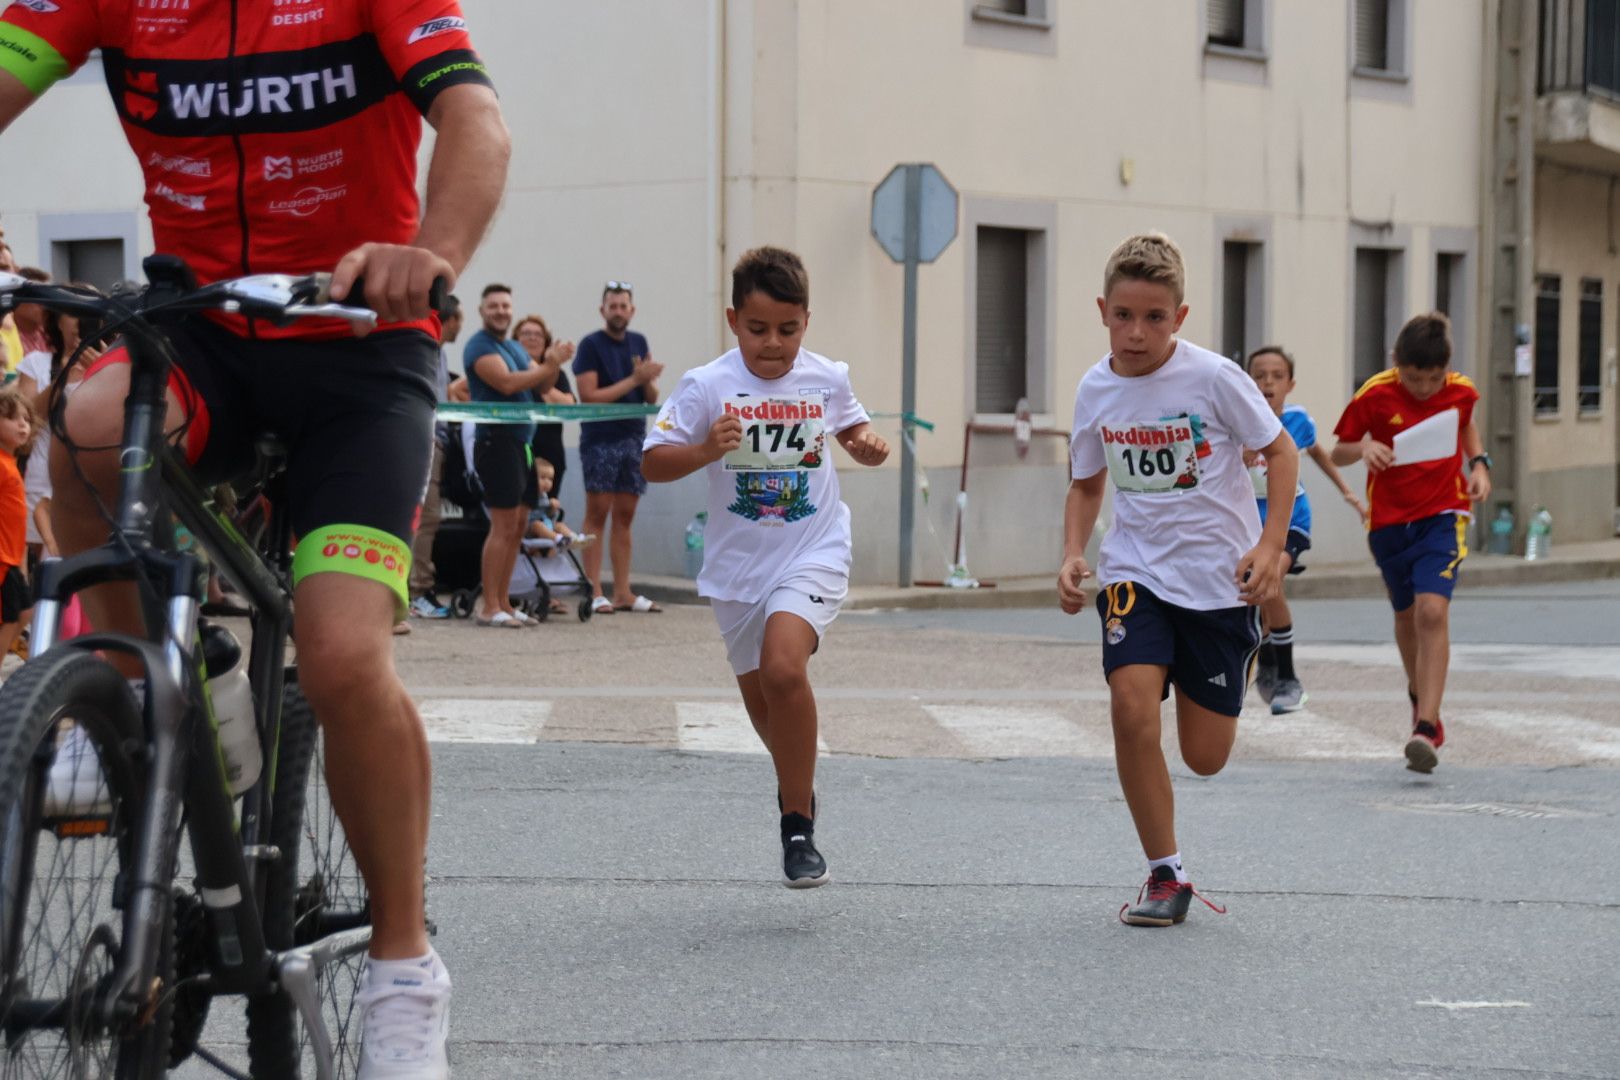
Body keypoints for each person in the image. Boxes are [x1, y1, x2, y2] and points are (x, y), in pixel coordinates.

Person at [0, 2, 511, 1073]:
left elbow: (476, 124)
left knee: (339, 656)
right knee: (83, 435)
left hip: (359, 341)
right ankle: (155, 695)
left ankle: (404, 970)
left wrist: (432, 251)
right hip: (204, 330)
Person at [1057, 233, 1298, 927]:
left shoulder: (1215, 379)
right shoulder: (1095, 389)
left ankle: (1248, 653)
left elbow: (1281, 454)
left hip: (1219, 584)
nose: (1137, 333)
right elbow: (1085, 482)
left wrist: (1271, 543)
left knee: (1205, 757)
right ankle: (1167, 874)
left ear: (1180, 318)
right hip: (1137, 575)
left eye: (1154, 318)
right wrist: (1075, 552)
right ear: (1103, 310)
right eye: (1124, 315)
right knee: (1131, 708)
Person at [644, 246, 890, 888]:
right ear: (733, 320)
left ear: (807, 320)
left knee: (786, 670)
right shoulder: (709, 384)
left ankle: (796, 826)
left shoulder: (826, 377)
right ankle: (800, 787)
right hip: (737, 570)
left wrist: (865, 445)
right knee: (767, 708)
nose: (774, 344)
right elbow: (653, 460)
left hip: (812, 549)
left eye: (788, 329)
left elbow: (854, 431)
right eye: (758, 330)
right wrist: (703, 450)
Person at [1330, 313, 1488, 774]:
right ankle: (1420, 694)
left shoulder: (1461, 390)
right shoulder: (1375, 393)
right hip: (1389, 521)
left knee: (1432, 611)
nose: (1424, 389)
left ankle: (1427, 726)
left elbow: (1466, 424)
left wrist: (1478, 465)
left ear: (1447, 368)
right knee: (1404, 614)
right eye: (1415, 379)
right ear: (1396, 362)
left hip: (1443, 514)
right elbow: (1339, 447)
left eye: (1433, 379)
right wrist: (1363, 450)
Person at [1243, 345, 1368, 713]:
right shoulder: (1236, 423)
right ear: (1246, 381)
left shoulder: (1298, 420)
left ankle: (1287, 677)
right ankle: (1266, 662)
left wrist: (1349, 494)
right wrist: (1240, 456)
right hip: (1250, 522)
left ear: (1290, 384)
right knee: (1256, 593)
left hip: (1292, 519)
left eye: (1276, 376)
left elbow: (1320, 457)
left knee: (1270, 583)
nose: (1267, 382)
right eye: (1259, 375)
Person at [464, 285, 570, 628]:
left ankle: (505, 603)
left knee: (517, 526)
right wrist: (548, 364)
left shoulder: (511, 345)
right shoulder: (479, 346)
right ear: (482, 311)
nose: (500, 310)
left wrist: (552, 365)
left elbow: (540, 386)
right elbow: (508, 384)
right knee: (502, 525)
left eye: (505, 305)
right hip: (496, 443)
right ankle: (489, 606)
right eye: (493, 305)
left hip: (521, 444)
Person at [574, 282, 663, 614]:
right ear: (603, 310)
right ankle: (595, 589)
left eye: (623, 306)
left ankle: (623, 591)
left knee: (626, 516)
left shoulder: (639, 342)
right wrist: (635, 380)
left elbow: (650, 397)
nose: (618, 311)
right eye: (613, 306)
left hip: (635, 437)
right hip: (601, 439)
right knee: (597, 513)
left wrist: (649, 380)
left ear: (632, 310)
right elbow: (589, 396)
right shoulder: (589, 345)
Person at [407, 293, 464, 623]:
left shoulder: (439, 355)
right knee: (424, 517)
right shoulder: (425, 350)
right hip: (424, 441)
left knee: (429, 518)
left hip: (436, 441)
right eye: (460, 319)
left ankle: (417, 588)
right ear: (449, 320)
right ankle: (417, 590)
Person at [514, 313, 575, 496]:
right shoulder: (507, 370)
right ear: (515, 341)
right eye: (525, 334)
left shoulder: (557, 374)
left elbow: (569, 407)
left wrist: (542, 372)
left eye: (538, 334)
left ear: (546, 341)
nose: (532, 338)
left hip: (550, 453)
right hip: (516, 450)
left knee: (548, 510)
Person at [0, 387, 34, 663]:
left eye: (26, 419)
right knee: (10, 618)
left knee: (25, 613)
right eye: (13, 418)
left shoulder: (11, 463)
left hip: (11, 557)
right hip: (2, 558)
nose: (23, 424)